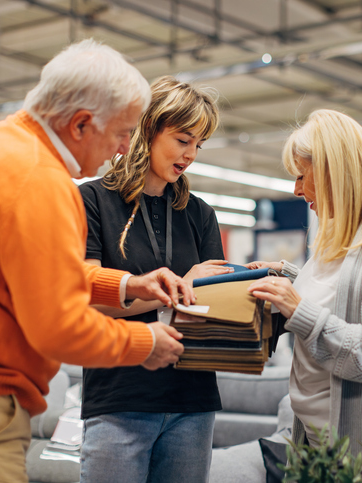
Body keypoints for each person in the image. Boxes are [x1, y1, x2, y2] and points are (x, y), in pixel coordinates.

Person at [0, 40, 194, 483]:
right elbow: (57, 326)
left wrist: (127, 285)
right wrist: (145, 343)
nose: (121, 149)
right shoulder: (39, 180)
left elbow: (29, 275)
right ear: (80, 124)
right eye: (121, 133)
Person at [247, 109, 362, 480]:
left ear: (334, 171)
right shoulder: (334, 239)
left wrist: (298, 308)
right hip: (315, 448)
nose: (296, 190)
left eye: (302, 176)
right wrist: (286, 281)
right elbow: (343, 299)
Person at [78, 76, 230, 483]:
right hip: (118, 397)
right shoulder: (92, 201)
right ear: (148, 129)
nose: (191, 154)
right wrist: (185, 284)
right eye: (183, 139)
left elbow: (210, 308)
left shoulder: (199, 214)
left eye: (199, 144)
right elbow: (89, 301)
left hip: (192, 402)